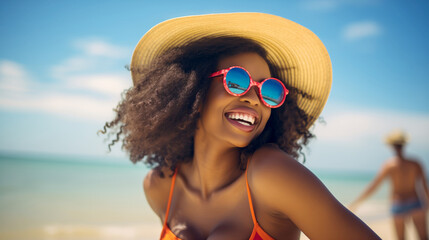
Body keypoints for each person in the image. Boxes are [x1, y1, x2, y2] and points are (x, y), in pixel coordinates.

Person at [102, 13, 380, 239]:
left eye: (269, 90)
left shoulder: (271, 174)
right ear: (192, 89)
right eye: (237, 80)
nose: (254, 98)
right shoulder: (159, 187)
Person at [350, 130, 429, 240]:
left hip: (398, 203)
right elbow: (425, 186)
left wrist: (356, 202)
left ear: (392, 146)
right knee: (424, 238)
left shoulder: (389, 165)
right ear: (404, 145)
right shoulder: (415, 163)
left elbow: (374, 186)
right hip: (415, 202)